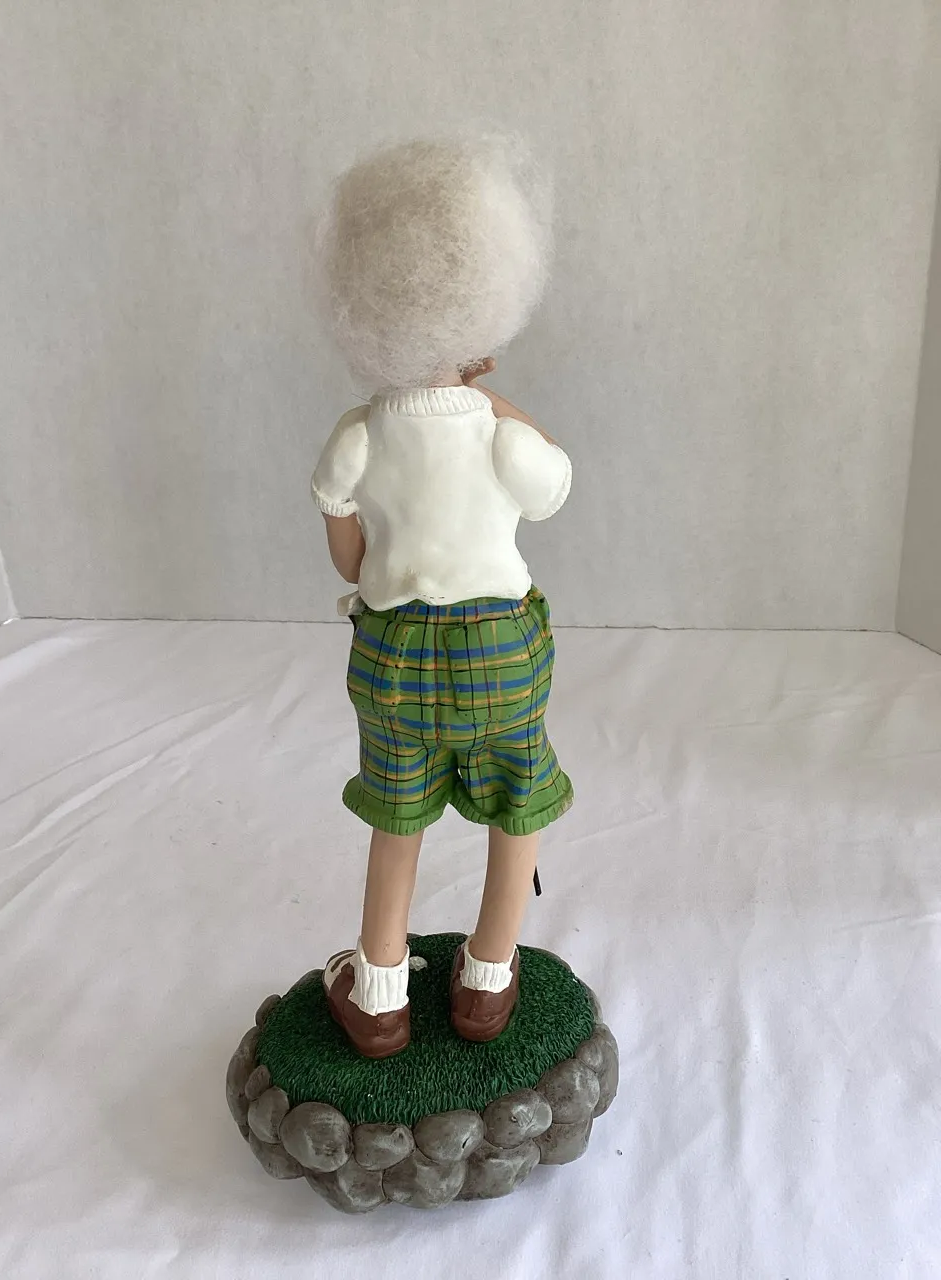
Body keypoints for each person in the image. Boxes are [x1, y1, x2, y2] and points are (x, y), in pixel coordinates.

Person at [310, 137, 573, 1058]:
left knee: (397, 817)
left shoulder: (357, 435)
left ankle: (379, 991)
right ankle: (488, 979)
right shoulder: (502, 432)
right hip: (499, 651)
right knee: (518, 805)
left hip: (392, 657)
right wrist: (494, 405)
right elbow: (550, 487)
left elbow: (351, 566)